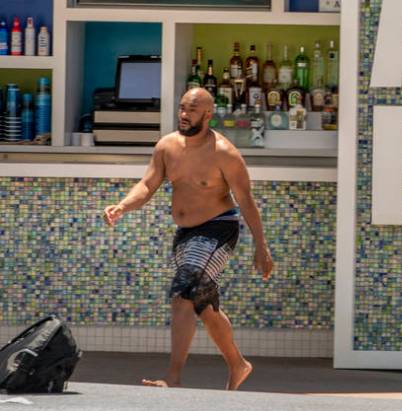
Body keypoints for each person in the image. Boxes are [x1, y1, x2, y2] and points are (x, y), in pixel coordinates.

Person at [103, 87, 274, 390]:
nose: (184, 114)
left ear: (208, 114)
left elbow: (246, 199)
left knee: (183, 295)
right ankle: (238, 364)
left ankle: (173, 376)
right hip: (186, 234)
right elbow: (148, 184)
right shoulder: (167, 146)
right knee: (203, 306)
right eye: (182, 108)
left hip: (217, 229)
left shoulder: (224, 152)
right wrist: (123, 206)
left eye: (192, 109)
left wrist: (261, 247)